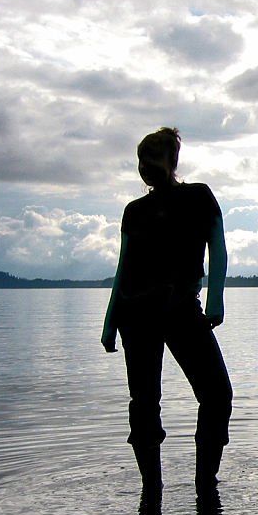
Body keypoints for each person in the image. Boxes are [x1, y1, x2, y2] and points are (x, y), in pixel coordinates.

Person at [102, 127, 233, 490]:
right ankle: (152, 486)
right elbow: (123, 266)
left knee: (217, 394)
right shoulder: (134, 211)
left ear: (171, 161)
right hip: (137, 313)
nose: (145, 167)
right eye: (141, 161)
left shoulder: (199, 197)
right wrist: (109, 322)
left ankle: (206, 480)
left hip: (181, 308)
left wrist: (216, 298)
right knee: (144, 401)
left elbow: (218, 248)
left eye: (152, 159)